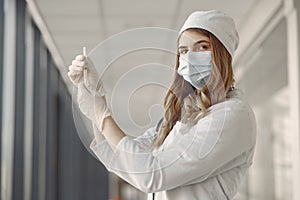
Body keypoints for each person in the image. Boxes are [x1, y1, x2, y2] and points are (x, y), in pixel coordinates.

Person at [68, 10, 257, 200]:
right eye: (183, 51)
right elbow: (121, 159)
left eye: (202, 47)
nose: (190, 57)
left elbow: (151, 175)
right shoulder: (184, 114)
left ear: (222, 53)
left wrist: (102, 114)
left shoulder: (232, 115)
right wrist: (96, 99)